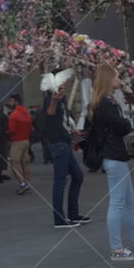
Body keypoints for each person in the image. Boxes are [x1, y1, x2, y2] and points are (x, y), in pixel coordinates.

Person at [88, 64, 134, 263]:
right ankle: (117, 248)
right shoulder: (105, 104)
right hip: (113, 156)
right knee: (118, 202)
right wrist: (124, 121)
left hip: (115, 156)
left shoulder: (103, 102)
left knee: (128, 200)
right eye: (117, 76)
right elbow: (123, 126)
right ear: (108, 79)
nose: (119, 79)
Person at [41, 80, 90, 229]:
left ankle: (73, 213)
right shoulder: (51, 99)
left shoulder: (61, 100)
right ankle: (59, 219)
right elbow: (50, 113)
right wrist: (55, 100)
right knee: (60, 181)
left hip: (64, 142)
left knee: (78, 176)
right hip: (58, 145)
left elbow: (59, 121)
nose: (64, 87)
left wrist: (71, 131)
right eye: (61, 83)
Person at [7, 93, 33, 194]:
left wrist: (6, 133)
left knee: (14, 163)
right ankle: (27, 183)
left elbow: (12, 130)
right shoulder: (26, 113)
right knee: (25, 163)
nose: (10, 103)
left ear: (16, 102)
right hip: (26, 140)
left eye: (11, 101)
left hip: (17, 141)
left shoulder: (14, 115)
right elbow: (31, 128)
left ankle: (22, 184)